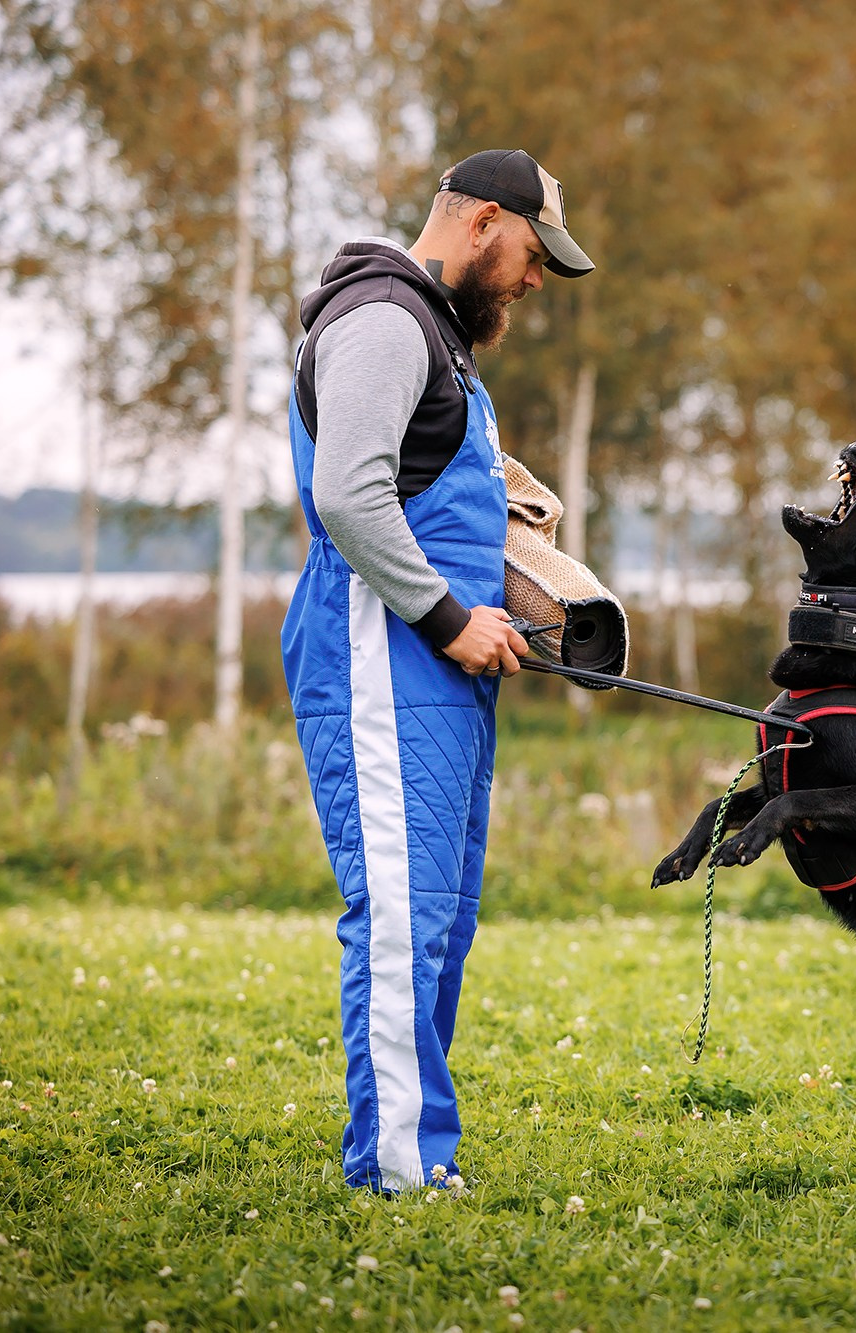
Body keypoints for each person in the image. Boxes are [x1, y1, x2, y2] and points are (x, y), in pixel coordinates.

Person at [281, 149, 593, 1192]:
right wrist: (453, 617)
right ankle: (402, 1169)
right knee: (404, 913)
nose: (533, 277)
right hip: (381, 654)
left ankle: (411, 1150)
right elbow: (349, 498)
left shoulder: (442, 341)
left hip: (437, 667)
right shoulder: (382, 319)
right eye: (529, 251)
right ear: (479, 224)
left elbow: (424, 503)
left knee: (443, 914)